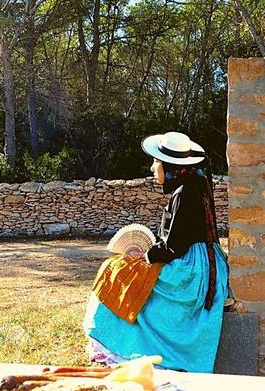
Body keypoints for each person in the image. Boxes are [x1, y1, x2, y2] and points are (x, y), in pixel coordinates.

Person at [83, 132, 229, 373]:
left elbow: (174, 247)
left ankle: (120, 346)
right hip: (201, 259)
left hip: (192, 269)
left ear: (170, 167)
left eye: (156, 163)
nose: (152, 168)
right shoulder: (195, 185)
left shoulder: (185, 194)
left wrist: (147, 256)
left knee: (115, 270)